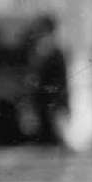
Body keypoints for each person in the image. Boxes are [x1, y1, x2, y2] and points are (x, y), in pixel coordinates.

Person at [29, 15, 69, 146]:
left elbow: (60, 80)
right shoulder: (43, 50)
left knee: (53, 137)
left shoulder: (53, 51)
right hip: (45, 102)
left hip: (52, 102)